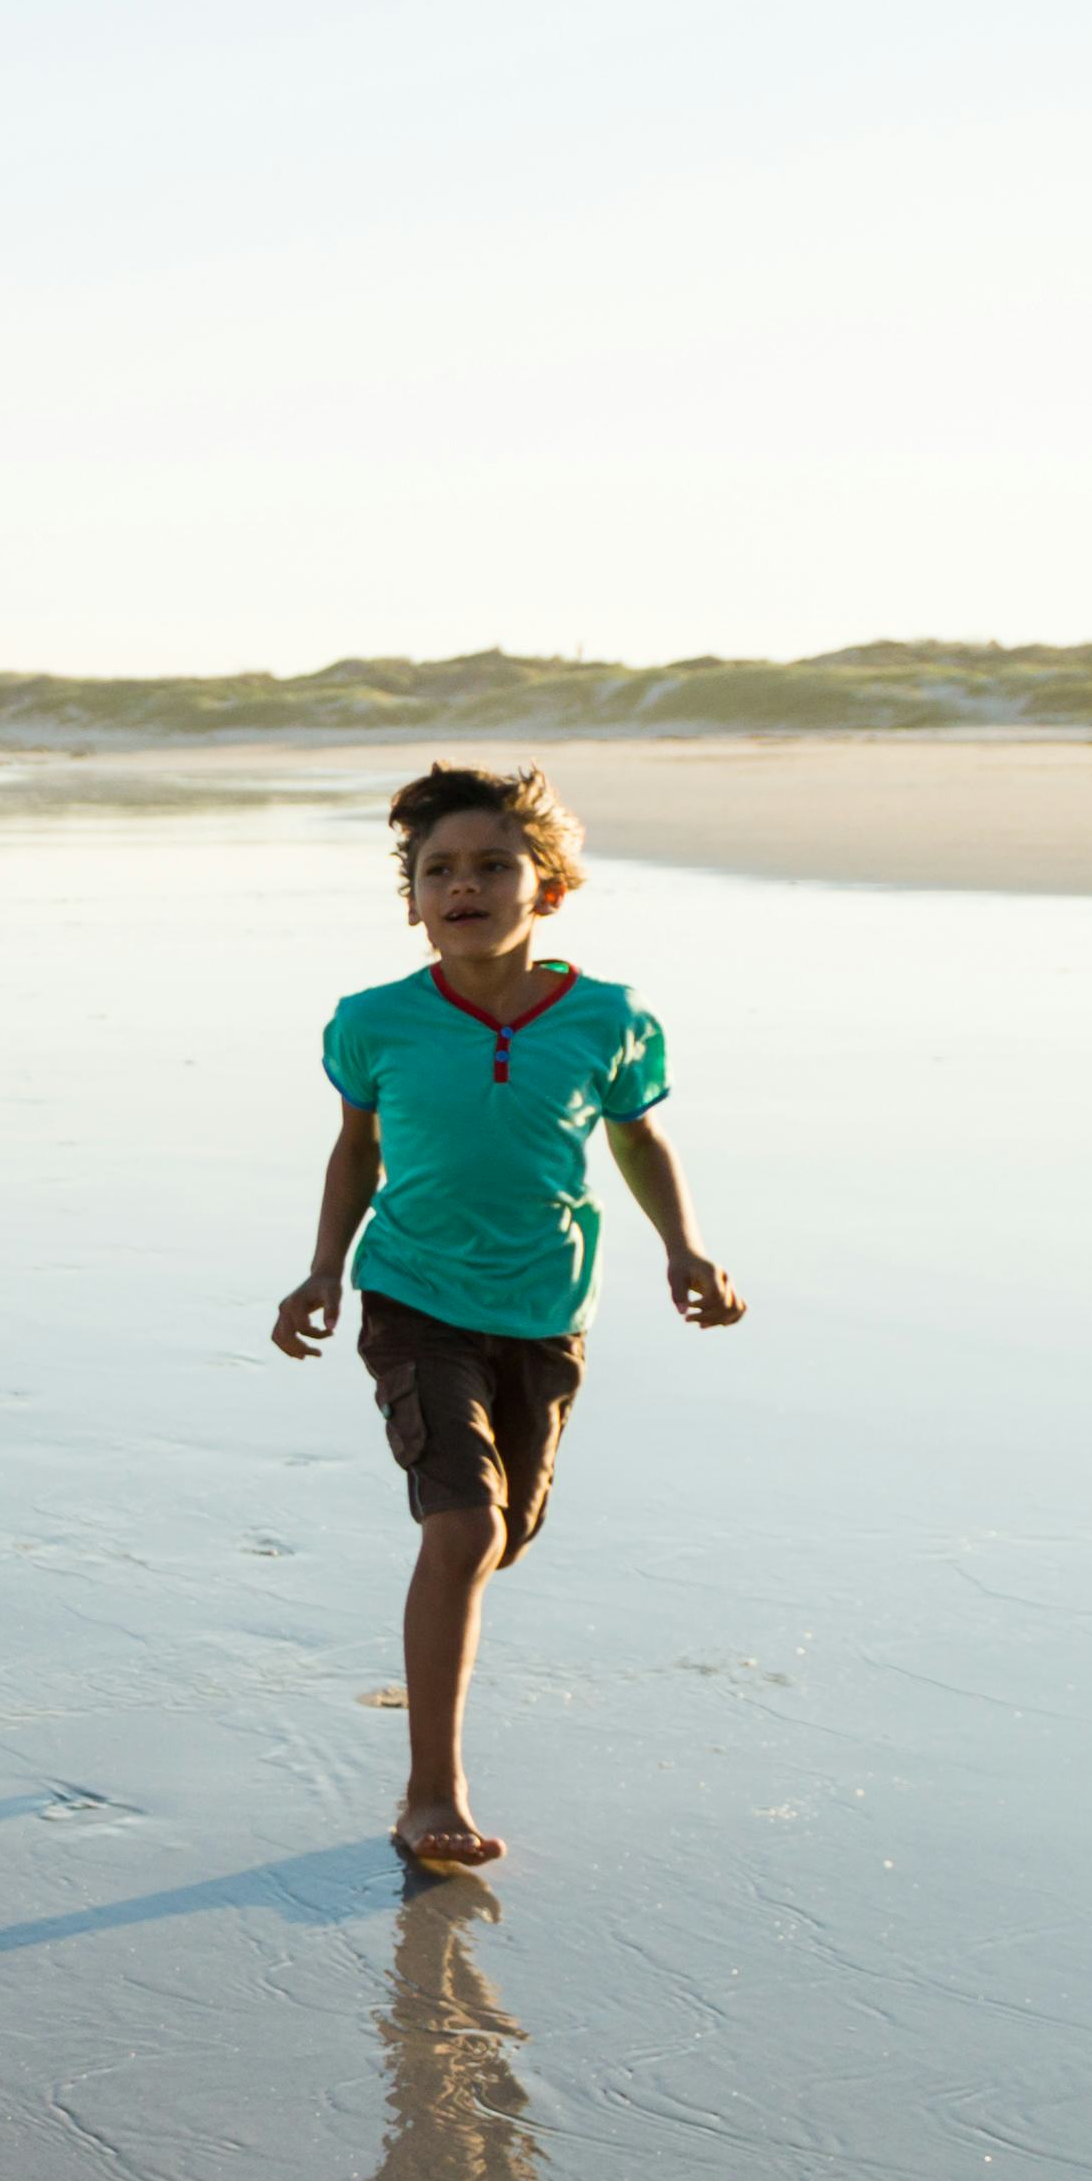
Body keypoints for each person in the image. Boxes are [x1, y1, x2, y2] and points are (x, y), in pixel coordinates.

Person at [269, 763, 744, 1871]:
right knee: (465, 1528)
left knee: (501, 1538)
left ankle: (441, 1634)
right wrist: (322, 1271)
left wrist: (685, 1246)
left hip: (543, 1308)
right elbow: (356, 1149)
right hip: (412, 1297)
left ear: (550, 888)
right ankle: (429, 1791)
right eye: (439, 871)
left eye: (492, 866)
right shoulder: (373, 1022)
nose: (464, 886)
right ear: (413, 901)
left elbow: (636, 1136)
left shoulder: (609, 1020)